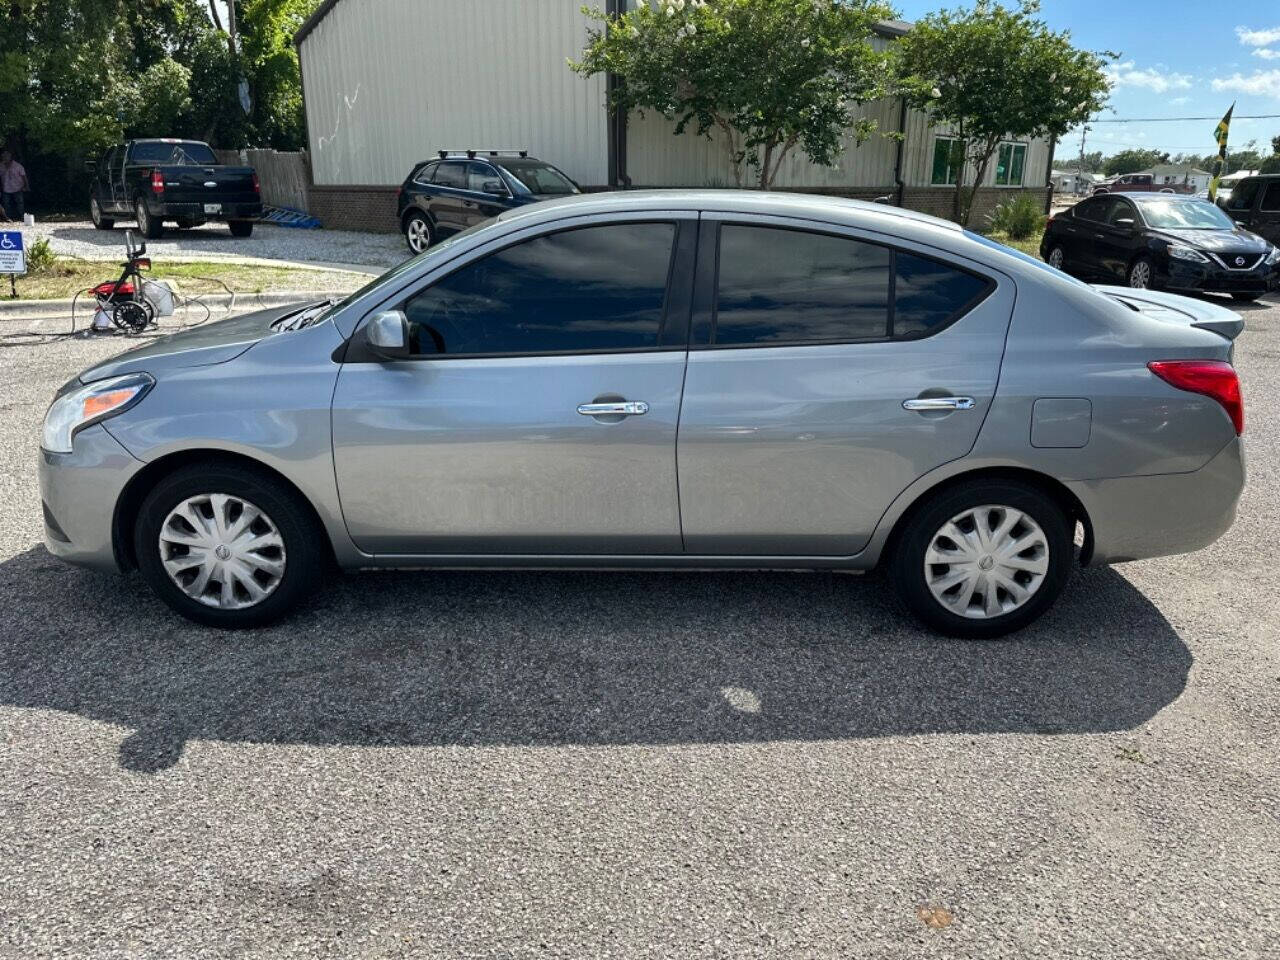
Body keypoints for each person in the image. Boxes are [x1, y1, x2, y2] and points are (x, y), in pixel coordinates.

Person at [1, 149, 30, 222]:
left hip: (17, 188)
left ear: (10, 157)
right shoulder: (0, 166)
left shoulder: (18, 166)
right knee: (6, 203)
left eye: (7, 156)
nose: (5, 157)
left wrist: (26, 186)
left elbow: (24, 177)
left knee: (20, 203)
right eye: (3, 156)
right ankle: (8, 217)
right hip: (5, 188)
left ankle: (22, 216)